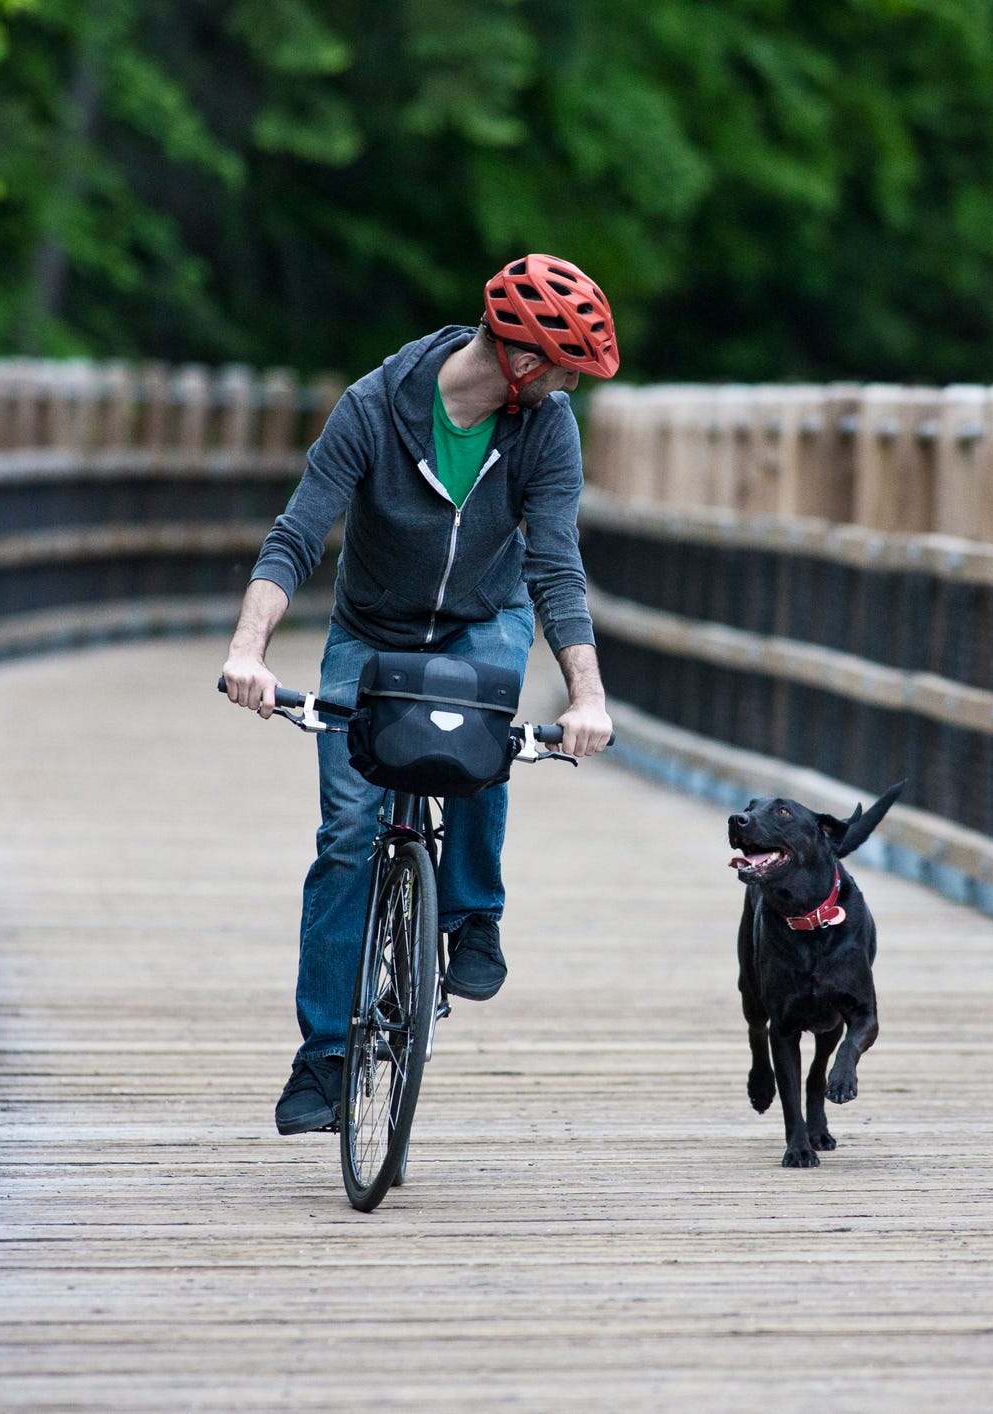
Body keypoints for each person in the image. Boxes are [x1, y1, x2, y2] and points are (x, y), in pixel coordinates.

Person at [221, 254, 620, 1135]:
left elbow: (556, 566)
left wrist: (586, 697)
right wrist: (248, 651)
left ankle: (473, 913)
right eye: (561, 370)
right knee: (348, 834)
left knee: (482, 739)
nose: (567, 389)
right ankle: (324, 1056)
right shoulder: (376, 405)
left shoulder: (545, 428)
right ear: (519, 359)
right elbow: (296, 535)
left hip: (485, 613)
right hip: (371, 630)